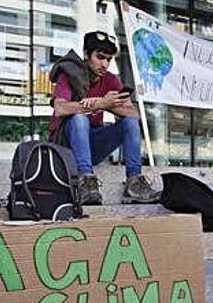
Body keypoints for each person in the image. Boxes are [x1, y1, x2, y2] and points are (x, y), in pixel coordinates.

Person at [49, 30, 158, 205]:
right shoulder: (69, 73)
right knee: (79, 118)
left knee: (130, 123)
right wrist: (98, 104)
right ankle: (85, 182)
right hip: (66, 148)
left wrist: (110, 105)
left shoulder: (111, 80)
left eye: (108, 59)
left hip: (94, 144)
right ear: (86, 54)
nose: (105, 64)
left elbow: (134, 114)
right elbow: (60, 109)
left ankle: (134, 183)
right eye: (100, 57)